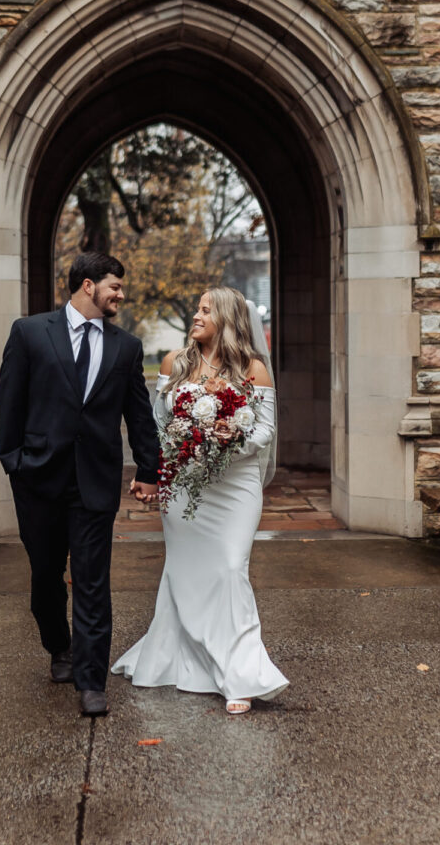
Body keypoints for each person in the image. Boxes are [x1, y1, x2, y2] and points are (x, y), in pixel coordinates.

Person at [0, 252, 161, 718]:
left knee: (92, 581)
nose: (121, 295)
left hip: (95, 481)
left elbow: (139, 415)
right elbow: (11, 402)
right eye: (115, 286)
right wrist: (15, 463)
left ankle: (92, 681)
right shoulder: (29, 333)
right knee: (46, 576)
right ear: (88, 286)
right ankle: (59, 647)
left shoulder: (126, 347)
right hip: (38, 479)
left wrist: (149, 470)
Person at [111, 287, 288, 715]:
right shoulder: (175, 364)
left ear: (227, 319)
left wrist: (233, 438)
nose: (197, 314)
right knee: (185, 572)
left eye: (206, 310)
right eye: (197, 308)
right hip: (184, 485)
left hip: (236, 485)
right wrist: (154, 470)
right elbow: (157, 424)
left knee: (230, 568)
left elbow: (265, 430)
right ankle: (178, 659)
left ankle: (241, 674)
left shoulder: (253, 370)